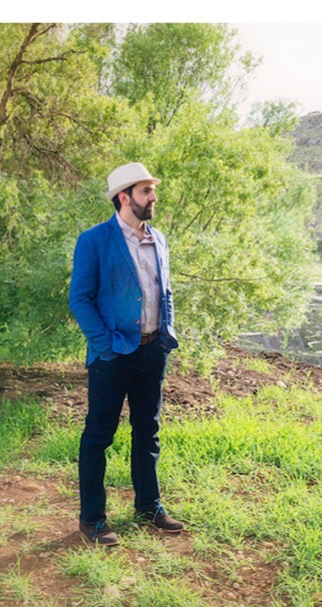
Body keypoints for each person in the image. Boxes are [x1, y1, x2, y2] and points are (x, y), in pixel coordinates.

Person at [68, 162, 183, 545]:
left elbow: (165, 291)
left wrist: (167, 333)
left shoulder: (159, 239)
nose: (154, 197)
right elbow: (80, 299)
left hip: (153, 352)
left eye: (153, 190)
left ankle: (149, 505)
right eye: (146, 191)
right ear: (124, 196)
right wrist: (105, 345)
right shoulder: (94, 240)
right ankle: (92, 520)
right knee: (98, 436)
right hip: (112, 355)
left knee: (148, 431)